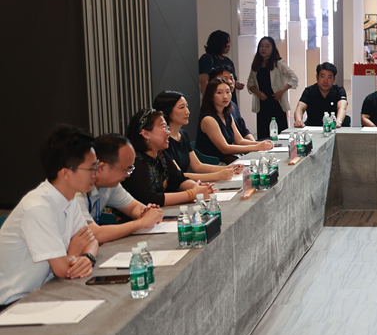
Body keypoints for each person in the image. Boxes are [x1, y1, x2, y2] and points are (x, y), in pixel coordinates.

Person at [0, 125, 100, 308]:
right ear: (66, 173)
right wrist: (73, 253)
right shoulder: (38, 207)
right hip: (14, 302)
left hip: (47, 289)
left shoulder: (69, 198)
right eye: (91, 169)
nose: (95, 174)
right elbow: (63, 270)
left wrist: (87, 257)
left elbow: (91, 240)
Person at [76, 134, 165, 244]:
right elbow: (94, 234)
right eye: (125, 170)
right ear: (101, 167)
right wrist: (141, 223)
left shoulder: (111, 185)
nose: (128, 175)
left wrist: (146, 212)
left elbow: (133, 207)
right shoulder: (75, 190)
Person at [122, 108, 215, 207]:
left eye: (167, 128)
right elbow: (150, 198)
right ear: (145, 133)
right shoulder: (136, 161)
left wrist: (198, 187)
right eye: (163, 127)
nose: (168, 132)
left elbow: (178, 179)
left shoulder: (160, 153)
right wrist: (191, 194)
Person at [153, 90, 241, 182]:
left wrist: (229, 168)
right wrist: (217, 176)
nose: (187, 112)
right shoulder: (164, 141)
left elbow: (198, 166)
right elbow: (179, 175)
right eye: (182, 107)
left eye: (187, 107)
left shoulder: (183, 134)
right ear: (167, 111)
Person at [196, 78, 274, 163]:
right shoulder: (208, 119)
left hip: (228, 160)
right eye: (219, 93)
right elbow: (225, 148)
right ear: (210, 96)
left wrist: (261, 144)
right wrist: (257, 147)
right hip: (215, 163)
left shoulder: (227, 114)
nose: (225, 96)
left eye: (228, 92)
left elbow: (239, 140)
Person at [246, 36, 298, 140]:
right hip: (262, 103)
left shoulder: (278, 63)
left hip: (276, 101)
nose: (263, 49)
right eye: (261, 46)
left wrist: (281, 91)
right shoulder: (256, 64)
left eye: (267, 46)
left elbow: (294, 78)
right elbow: (250, 83)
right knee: (263, 134)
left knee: (280, 133)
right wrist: (258, 92)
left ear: (273, 48)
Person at [294, 62, 349, 128]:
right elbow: (300, 108)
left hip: (334, 129)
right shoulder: (309, 91)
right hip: (313, 129)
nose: (325, 81)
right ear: (317, 77)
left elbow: (342, 108)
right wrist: (298, 120)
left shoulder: (339, 90)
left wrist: (338, 122)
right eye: (322, 76)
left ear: (334, 79)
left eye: (329, 77)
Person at [208, 66, 254, 140]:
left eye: (231, 78)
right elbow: (226, 145)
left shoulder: (232, 105)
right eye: (225, 79)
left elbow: (244, 131)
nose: (230, 82)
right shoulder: (210, 115)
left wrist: (256, 143)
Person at [198, 30, 244, 102]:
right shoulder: (207, 59)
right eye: (226, 42)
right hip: (216, 100)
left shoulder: (228, 61)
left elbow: (233, 80)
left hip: (230, 100)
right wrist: (210, 99)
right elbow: (203, 81)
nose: (229, 45)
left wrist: (237, 85)